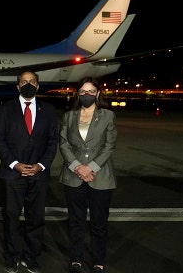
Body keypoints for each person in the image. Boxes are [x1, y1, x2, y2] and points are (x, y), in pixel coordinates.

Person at [0, 71, 58, 273]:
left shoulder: (48, 110)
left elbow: (52, 142)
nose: (28, 84)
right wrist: (15, 164)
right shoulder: (6, 109)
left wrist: (41, 165)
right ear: (18, 86)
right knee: (11, 217)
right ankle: (12, 256)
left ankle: (31, 256)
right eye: (24, 82)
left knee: (36, 218)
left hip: (39, 174)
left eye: (32, 81)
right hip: (13, 174)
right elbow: (0, 140)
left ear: (38, 86)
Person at [59, 77, 117, 273]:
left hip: (99, 176)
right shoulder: (69, 116)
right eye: (83, 91)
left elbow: (109, 146)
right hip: (73, 176)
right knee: (76, 221)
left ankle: (98, 260)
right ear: (78, 93)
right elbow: (64, 143)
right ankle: (76, 259)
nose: (87, 94)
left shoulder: (108, 115)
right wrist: (77, 167)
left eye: (91, 91)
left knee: (99, 222)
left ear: (98, 94)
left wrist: (90, 167)